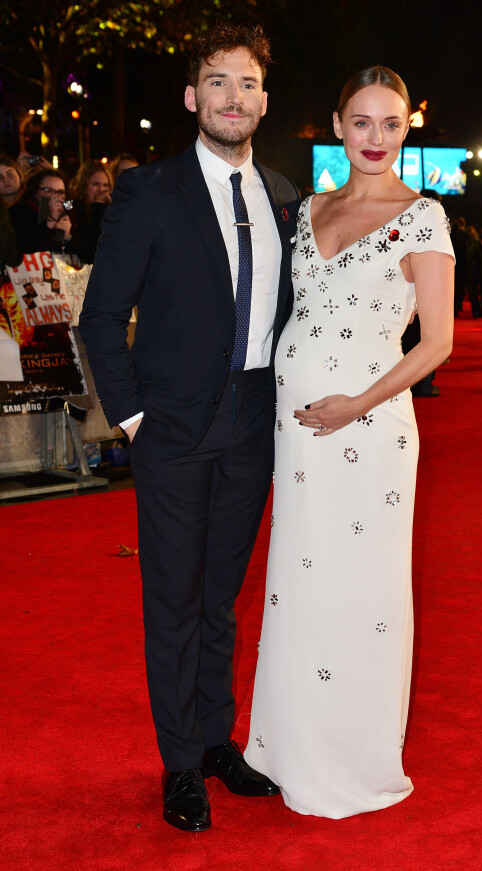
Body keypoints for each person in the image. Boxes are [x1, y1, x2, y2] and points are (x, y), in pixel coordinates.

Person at [79, 22, 300, 833]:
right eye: (217, 82)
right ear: (191, 97)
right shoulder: (149, 191)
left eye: (246, 84)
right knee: (172, 599)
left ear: (264, 100)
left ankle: (215, 741)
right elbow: (103, 319)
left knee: (220, 599)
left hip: (252, 423)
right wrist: (133, 418)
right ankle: (178, 764)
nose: (232, 98)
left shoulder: (283, 194)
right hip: (169, 428)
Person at [244, 65, 454, 818]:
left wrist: (357, 403)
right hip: (297, 435)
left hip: (370, 432)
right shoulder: (307, 210)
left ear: (407, 129)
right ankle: (287, 746)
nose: (375, 138)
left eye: (390, 124)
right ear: (337, 126)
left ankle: (352, 758)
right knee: (299, 581)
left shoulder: (422, 215)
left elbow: (437, 343)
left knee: (361, 592)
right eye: (360, 122)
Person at [9, 169, 74, 254]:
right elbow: (27, 247)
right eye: (48, 190)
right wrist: (50, 222)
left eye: (60, 192)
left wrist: (67, 237)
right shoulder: (20, 211)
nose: (55, 196)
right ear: (35, 192)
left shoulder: (69, 215)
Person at [69, 160, 113, 263]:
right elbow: (91, 251)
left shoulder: (113, 214)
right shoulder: (74, 212)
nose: (101, 190)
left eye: (106, 185)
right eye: (95, 184)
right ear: (84, 186)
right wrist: (97, 206)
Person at [0, 155, 24, 266]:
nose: (5, 180)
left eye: (10, 174)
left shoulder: (33, 206)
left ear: (19, 175)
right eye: (0, 176)